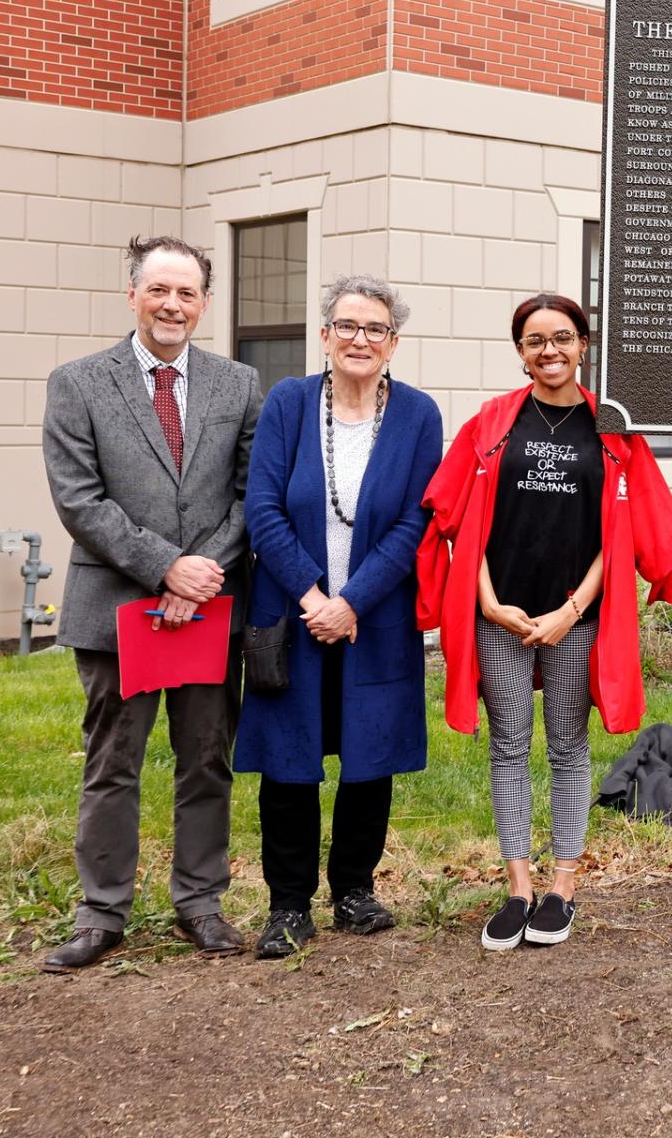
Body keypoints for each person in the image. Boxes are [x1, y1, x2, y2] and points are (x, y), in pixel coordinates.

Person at [417, 294, 672, 952]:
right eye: (535, 341)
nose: (549, 351)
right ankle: (516, 888)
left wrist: (572, 610)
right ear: (520, 351)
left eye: (562, 337)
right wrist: (484, 602)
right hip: (500, 612)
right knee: (508, 746)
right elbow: (455, 518)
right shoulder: (492, 423)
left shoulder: (612, 428)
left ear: (583, 344)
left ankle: (562, 886)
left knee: (568, 746)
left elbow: (619, 535)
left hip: (579, 616)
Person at [39, 236, 263, 970]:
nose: (173, 304)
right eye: (159, 289)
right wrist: (165, 567)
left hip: (209, 607)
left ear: (204, 302)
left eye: (187, 292)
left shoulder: (240, 384)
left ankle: (200, 902)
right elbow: (80, 500)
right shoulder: (77, 383)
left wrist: (200, 574)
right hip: (115, 608)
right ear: (131, 292)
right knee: (113, 761)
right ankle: (102, 912)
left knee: (206, 758)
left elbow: (246, 495)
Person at [233, 276, 442, 958]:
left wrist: (353, 601)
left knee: (368, 752)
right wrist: (316, 598)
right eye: (346, 326)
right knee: (289, 758)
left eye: (374, 328)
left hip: (375, 616)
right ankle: (288, 904)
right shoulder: (289, 404)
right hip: (293, 615)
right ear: (323, 336)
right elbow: (262, 509)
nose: (360, 339)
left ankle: (354, 888)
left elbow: (417, 521)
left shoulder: (416, 416)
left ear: (393, 343)